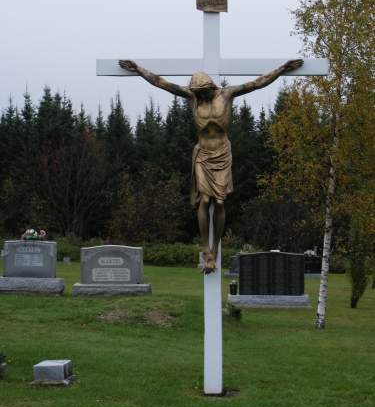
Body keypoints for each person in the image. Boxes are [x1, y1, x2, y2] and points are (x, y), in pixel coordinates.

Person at [119, 58, 303, 274]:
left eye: (204, 93)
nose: (202, 98)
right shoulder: (193, 97)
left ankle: (215, 248)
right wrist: (138, 69)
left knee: (221, 202)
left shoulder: (227, 94)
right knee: (205, 200)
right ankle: (206, 249)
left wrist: (282, 69)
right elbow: (162, 83)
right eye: (199, 94)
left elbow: (257, 83)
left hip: (222, 154)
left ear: (210, 87)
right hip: (203, 154)